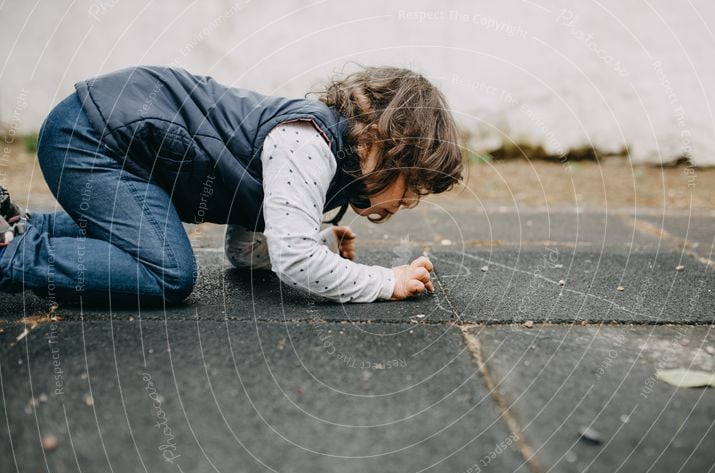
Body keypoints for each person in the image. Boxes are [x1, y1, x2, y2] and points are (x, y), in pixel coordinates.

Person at [0, 65, 463, 305]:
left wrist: (312, 238)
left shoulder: (321, 160)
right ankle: (8, 253)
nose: (407, 202)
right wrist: (387, 281)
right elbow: (294, 261)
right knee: (166, 273)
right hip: (91, 137)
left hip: (109, 141)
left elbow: (243, 253)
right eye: (413, 185)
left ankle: (17, 226)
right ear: (384, 144)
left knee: (146, 243)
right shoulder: (307, 144)